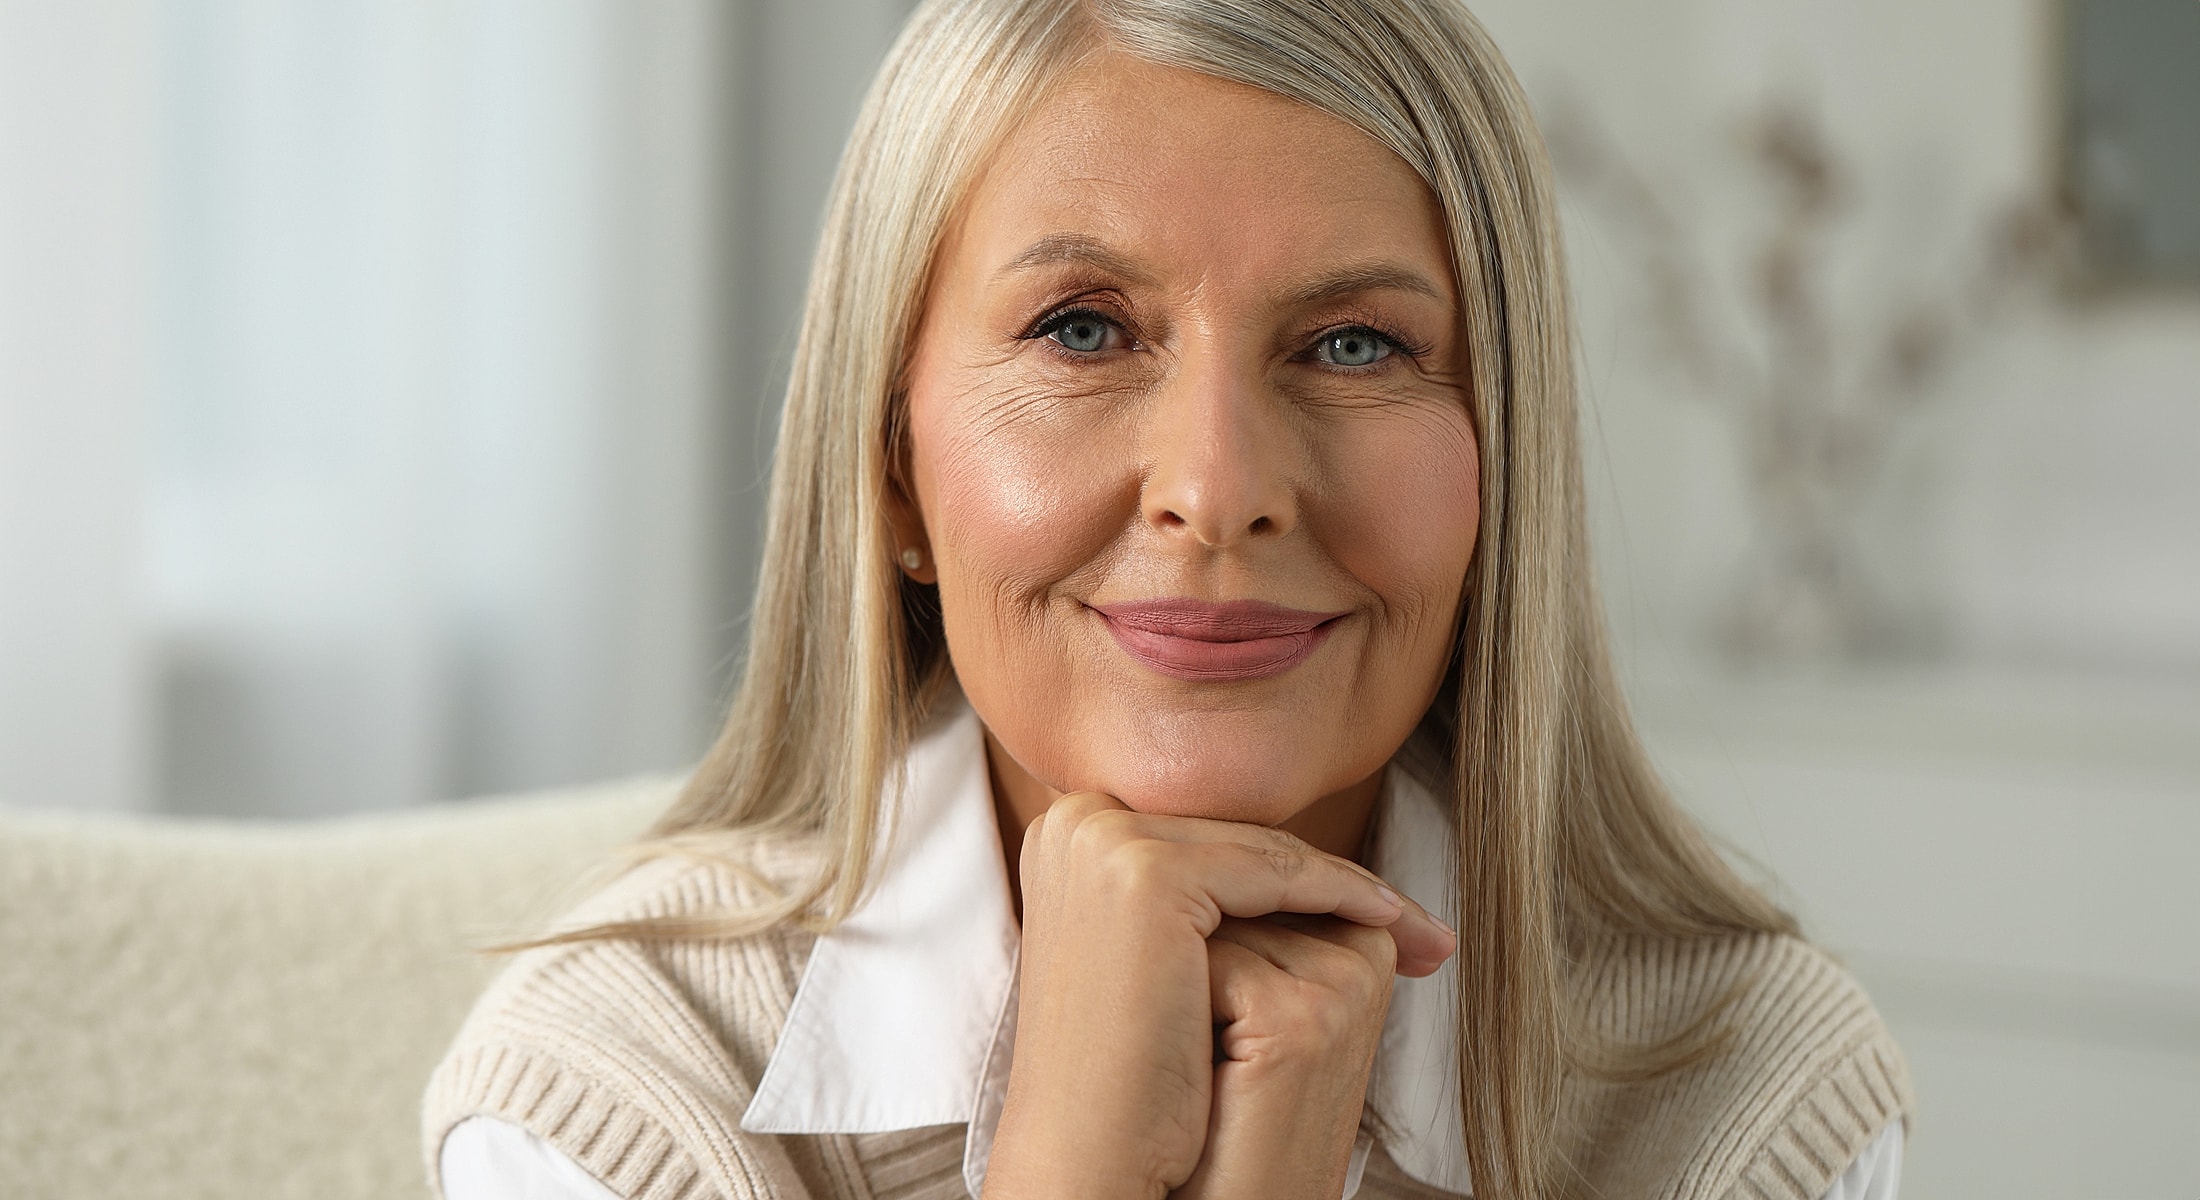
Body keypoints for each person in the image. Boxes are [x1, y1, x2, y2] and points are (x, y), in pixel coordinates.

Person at [422, 1, 1914, 1197]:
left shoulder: (1740, 1091)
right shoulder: (619, 1095)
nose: (1217, 486)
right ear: (892, 473)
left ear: (1502, 467)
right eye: (1083, 329)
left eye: (1354, 346)